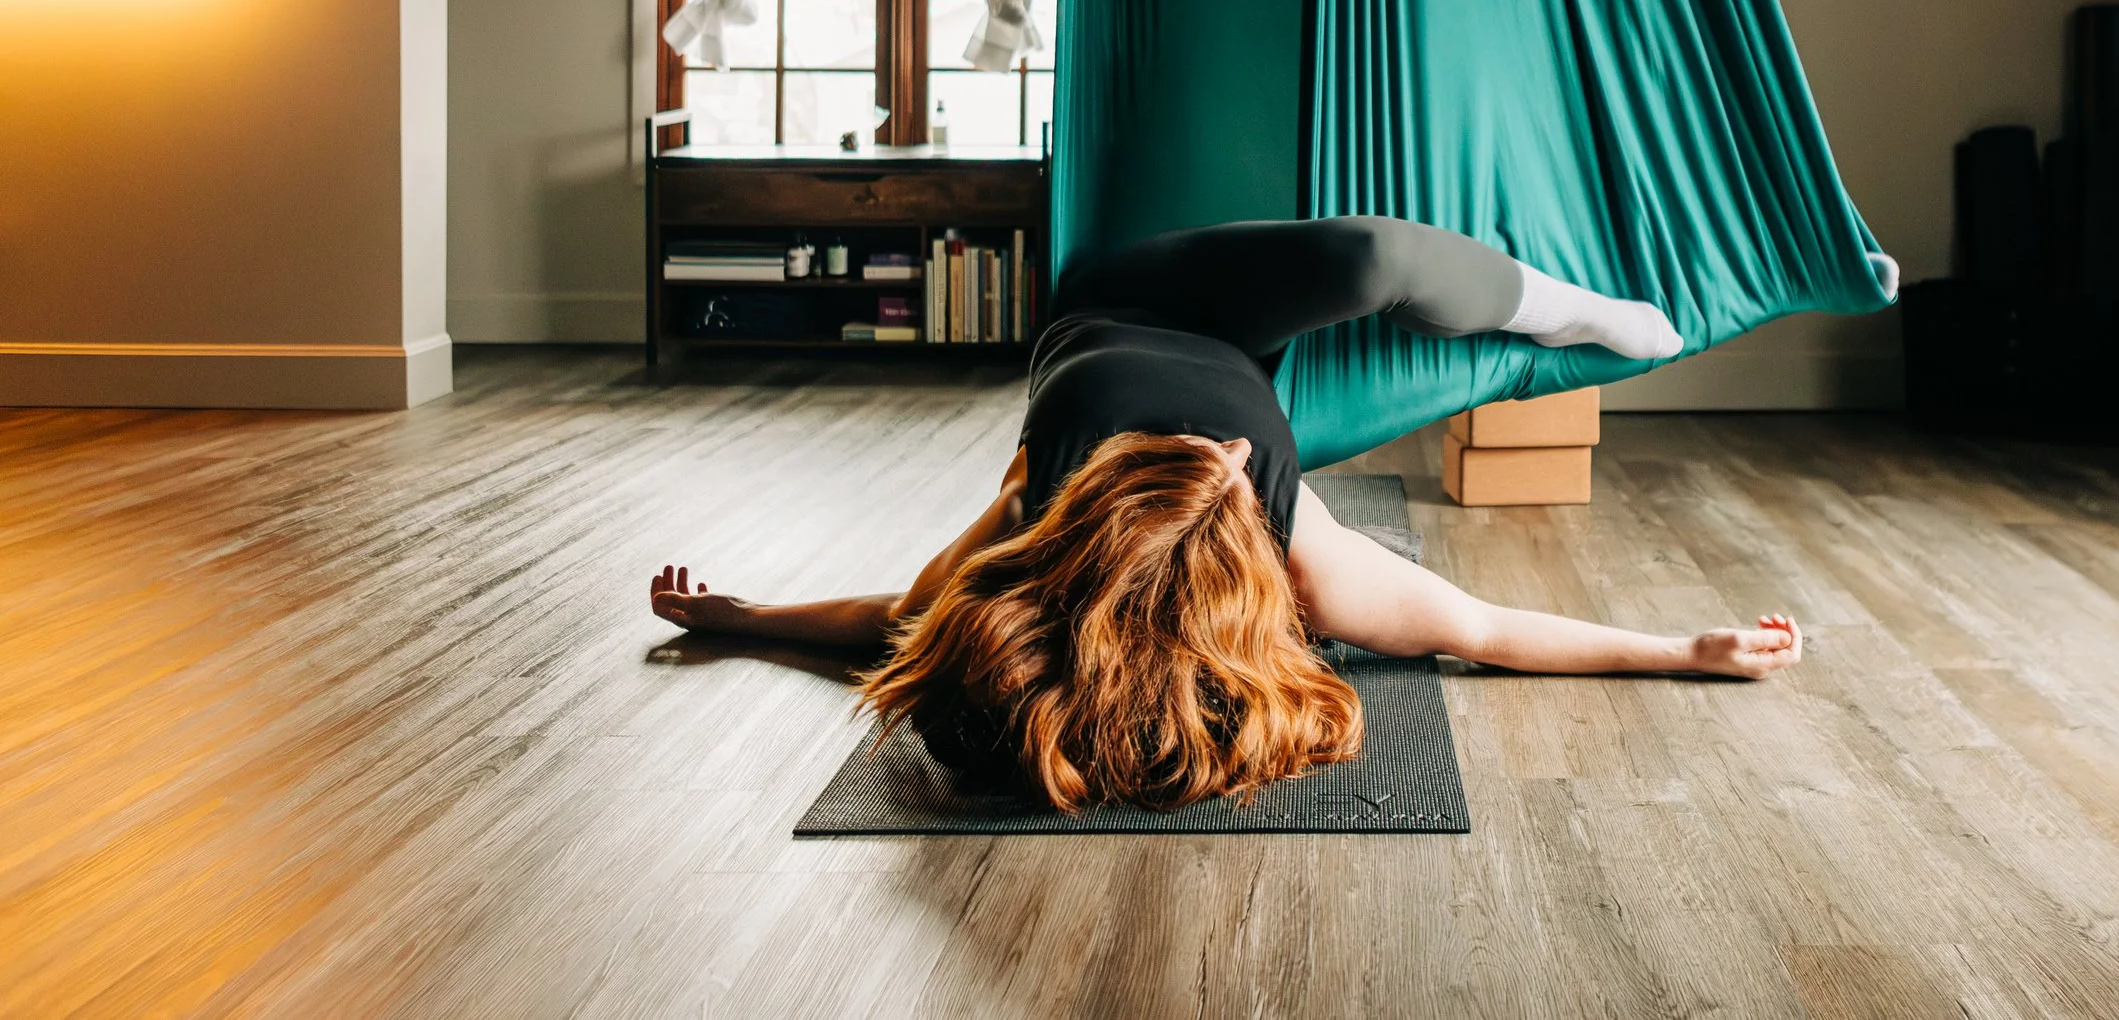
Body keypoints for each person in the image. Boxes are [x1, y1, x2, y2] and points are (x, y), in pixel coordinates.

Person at [649, 217, 1803, 811]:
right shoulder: (1311, 565)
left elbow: (899, 619)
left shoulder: (1035, 513)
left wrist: (746, 616)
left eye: (1210, 452)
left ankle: (1567, 308)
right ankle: (1570, 312)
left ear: (1092, 501)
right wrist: (1681, 649)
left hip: (1120, 294)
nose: (1240, 447)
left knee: (1371, 256)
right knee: (1372, 257)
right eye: (1237, 468)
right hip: (1235, 339)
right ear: (1256, 544)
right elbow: (1484, 628)